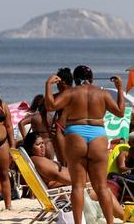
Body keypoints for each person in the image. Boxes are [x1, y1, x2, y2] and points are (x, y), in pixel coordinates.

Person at [45, 65, 125, 224]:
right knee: (102, 187)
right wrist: (120, 88)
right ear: (92, 78)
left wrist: (48, 84)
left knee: (78, 186)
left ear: (75, 79)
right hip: (98, 135)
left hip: (76, 134)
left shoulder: (70, 93)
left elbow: (50, 106)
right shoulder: (102, 93)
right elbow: (120, 112)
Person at [23, 132, 124, 220]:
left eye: (42, 143)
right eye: (38, 144)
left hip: (64, 190)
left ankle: (122, 215)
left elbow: (59, 174)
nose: (42, 146)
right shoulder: (39, 160)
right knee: (105, 192)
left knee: (103, 189)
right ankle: (123, 216)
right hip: (63, 194)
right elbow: (56, 175)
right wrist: (81, 182)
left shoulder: (38, 160)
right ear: (30, 148)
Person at [48, 67, 74, 166]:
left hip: (63, 130)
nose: (57, 86)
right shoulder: (76, 93)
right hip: (70, 129)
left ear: (62, 82)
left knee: (64, 162)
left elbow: (49, 106)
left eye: (57, 84)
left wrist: (48, 85)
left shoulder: (62, 96)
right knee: (68, 162)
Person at [18, 94, 55, 160]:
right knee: (50, 163)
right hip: (48, 143)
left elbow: (21, 123)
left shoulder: (34, 117)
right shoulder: (51, 117)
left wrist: (26, 138)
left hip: (36, 143)